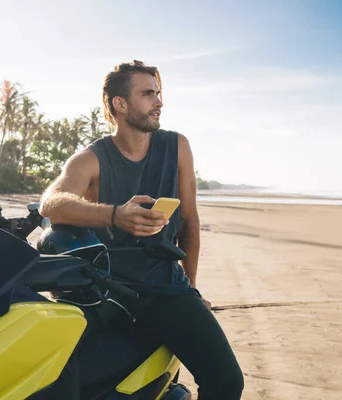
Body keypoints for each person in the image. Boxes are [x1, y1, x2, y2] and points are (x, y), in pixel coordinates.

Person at [39, 60, 244, 399]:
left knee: (227, 382)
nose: (158, 101)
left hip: (166, 287)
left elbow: (190, 221)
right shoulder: (92, 158)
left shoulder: (177, 146)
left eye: (158, 93)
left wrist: (191, 286)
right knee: (56, 380)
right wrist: (115, 215)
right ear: (120, 104)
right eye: (147, 94)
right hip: (103, 291)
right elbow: (52, 203)